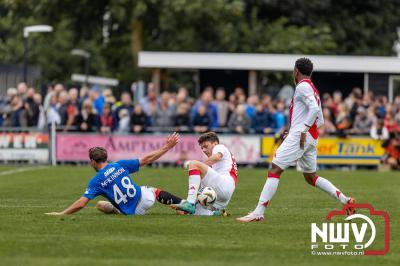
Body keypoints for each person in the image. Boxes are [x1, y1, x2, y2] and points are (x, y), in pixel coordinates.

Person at [237, 58, 355, 223]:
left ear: (296, 71)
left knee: (275, 169)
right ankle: (345, 200)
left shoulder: (302, 86)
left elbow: (313, 109)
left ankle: (258, 212)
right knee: (310, 177)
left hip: (303, 135)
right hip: (310, 136)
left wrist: (302, 130)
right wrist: (300, 130)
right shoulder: (312, 87)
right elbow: (319, 117)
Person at [45, 133, 184, 216]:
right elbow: (147, 159)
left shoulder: (95, 181)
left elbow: (81, 203)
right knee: (151, 190)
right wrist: (167, 147)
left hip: (132, 213)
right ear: (106, 158)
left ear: (93, 161)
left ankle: (120, 210)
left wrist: (61, 213)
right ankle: (183, 204)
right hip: (145, 200)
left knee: (100, 204)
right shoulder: (119, 164)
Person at [172, 132, 236, 216]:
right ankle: (217, 212)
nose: (204, 150)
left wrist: (197, 165)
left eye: (206, 146)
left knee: (193, 163)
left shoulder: (219, 147)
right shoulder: (216, 164)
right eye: (202, 148)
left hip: (224, 184)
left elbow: (217, 157)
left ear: (215, 143)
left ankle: (190, 203)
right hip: (222, 198)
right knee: (183, 212)